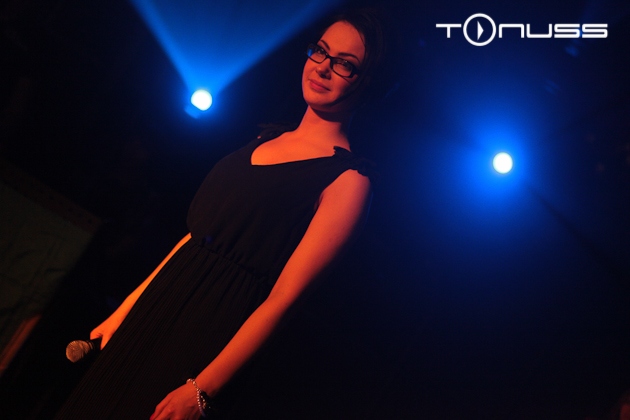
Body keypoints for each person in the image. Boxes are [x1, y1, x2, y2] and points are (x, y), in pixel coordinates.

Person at [56, 7, 396, 419]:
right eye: (321, 51)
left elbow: (285, 298)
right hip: (154, 312)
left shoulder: (349, 181)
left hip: (205, 338)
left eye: (345, 64)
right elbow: (194, 239)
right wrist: (127, 309)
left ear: (368, 82)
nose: (323, 67)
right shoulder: (264, 138)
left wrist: (203, 389)